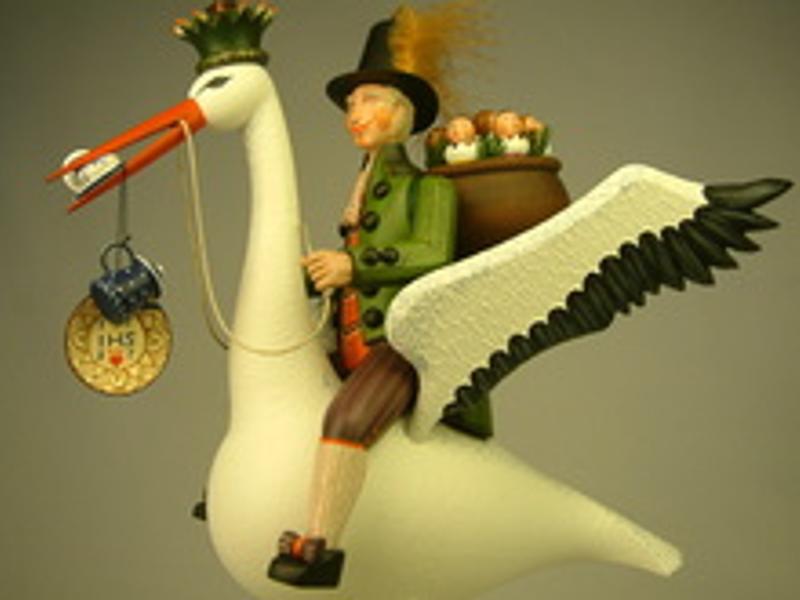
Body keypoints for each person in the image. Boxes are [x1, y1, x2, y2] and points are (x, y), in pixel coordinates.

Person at [268, 12, 459, 588]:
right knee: (276, 374)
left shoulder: (430, 189)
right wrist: (314, 277)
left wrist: (353, 266)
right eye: (350, 104)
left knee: (347, 417)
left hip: (400, 344)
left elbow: (432, 253)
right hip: (347, 335)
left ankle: (321, 548)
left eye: (369, 100)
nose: (354, 114)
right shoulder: (362, 189)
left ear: (403, 111)